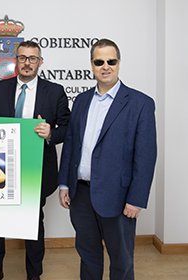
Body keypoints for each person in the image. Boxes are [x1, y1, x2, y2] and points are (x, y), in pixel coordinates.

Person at [57, 39, 157, 280]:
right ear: (91, 65)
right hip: (80, 195)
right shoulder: (81, 100)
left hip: (119, 197)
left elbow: (146, 156)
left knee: (121, 260)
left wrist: (136, 199)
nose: (105, 66)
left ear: (119, 63)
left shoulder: (140, 103)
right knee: (88, 255)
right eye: (99, 61)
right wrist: (64, 184)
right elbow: (71, 143)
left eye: (111, 61)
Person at [0, 40, 70, 280]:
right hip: (0, 167)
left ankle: (34, 275)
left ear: (40, 62)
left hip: (37, 168)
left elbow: (68, 128)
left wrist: (51, 132)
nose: (27, 63)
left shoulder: (54, 91)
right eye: (23, 58)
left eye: (33, 58)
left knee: (33, 222)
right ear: (15, 61)